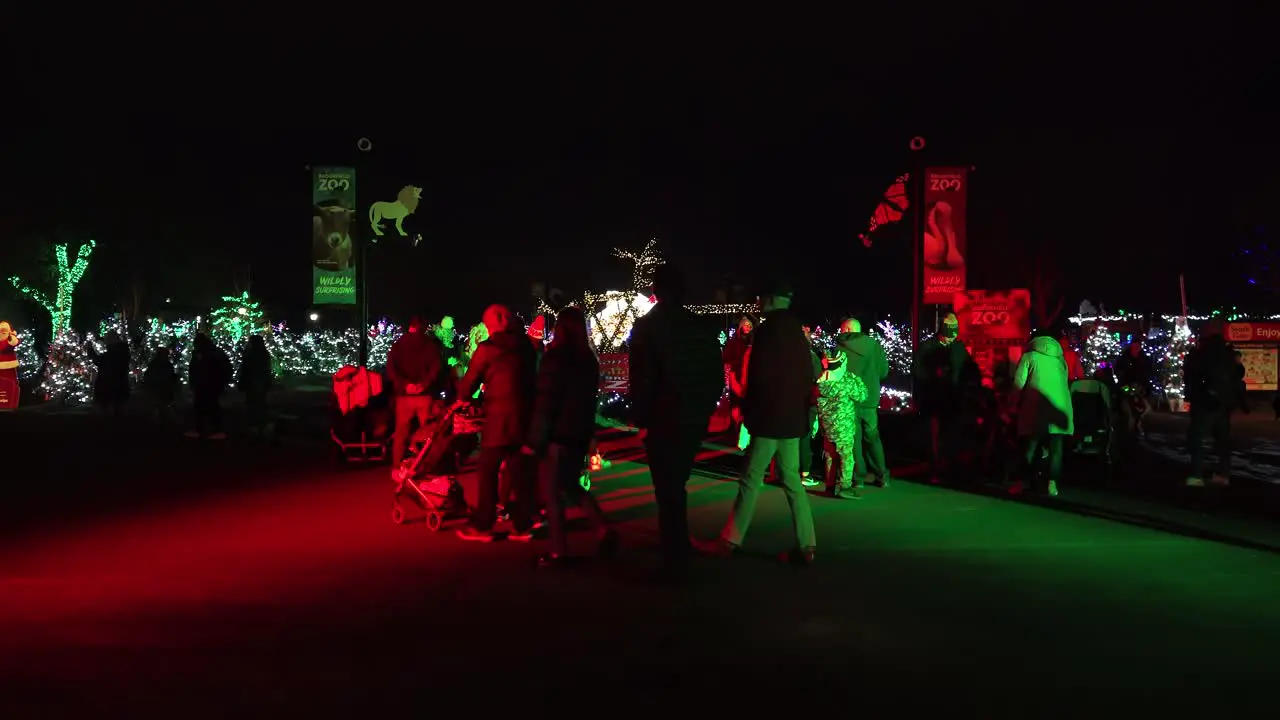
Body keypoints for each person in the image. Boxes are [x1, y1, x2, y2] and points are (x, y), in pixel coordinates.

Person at [703, 279, 819, 566]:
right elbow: (808, 375)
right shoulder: (797, 332)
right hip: (791, 420)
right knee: (792, 480)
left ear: (769, 300)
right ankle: (807, 544)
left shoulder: (766, 332)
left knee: (751, 479)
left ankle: (730, 540)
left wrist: (750, 413)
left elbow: (759, 378)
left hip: (769, 419)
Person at [628, 265, 724, 578]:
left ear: (657, 290)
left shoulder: (647, 327)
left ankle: (675, 556)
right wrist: (705, 409)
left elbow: (642, 378)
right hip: (692, 417)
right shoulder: (701, 327)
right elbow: (715, 376)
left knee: (666, 487)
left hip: (662, 417)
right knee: (677, 482)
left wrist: (641, 419)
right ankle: (677, 547)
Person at [521, 306, 618, 567]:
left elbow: (546, 403)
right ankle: (604, 528)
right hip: (579, 432)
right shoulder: (588, 360)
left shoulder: (555, 359)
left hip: (557, 434)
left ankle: (558, 551)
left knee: (552, 493)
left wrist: (533, 440)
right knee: (572, 485)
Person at [457, 304, 539, 542]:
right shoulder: (526, 347)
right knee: (520, 473)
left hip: (498, 419)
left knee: (488, 472)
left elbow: (470, 382)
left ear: (490, 324)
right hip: (524, 418)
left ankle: (484, 524)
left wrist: (463, 397)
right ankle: (522, 525)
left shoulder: (487, 349)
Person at [1010, 335, 1074, 497]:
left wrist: (1011, 404)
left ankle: (1021, 482)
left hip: (1035, 408)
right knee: (1056, 451)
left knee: (1029, 447)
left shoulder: (1029, 356)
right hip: (1059, 410)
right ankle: (1052, 484)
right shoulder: (1060, 360)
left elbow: (1018, 383)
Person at [912, 313, 971, 483]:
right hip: (934, 400)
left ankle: (949, 468)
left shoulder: (959, 348)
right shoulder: (928, 348)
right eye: (948, 335)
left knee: (951, 435)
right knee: (935, 438)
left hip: (954, 400)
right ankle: (936, 469)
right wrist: (934, 377)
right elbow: (917, 372)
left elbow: (968, 370)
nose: (951, 338)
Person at [1183, 321, 1240, 487]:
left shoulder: (1201, 352)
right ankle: (1223, 473)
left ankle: (1197, 474)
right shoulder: (1228, 352)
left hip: (1204, 402)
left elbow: (1192, 374)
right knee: (1222, 439)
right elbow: (1237, 374)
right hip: (1223, 402)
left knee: (1197, 438)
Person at [386, 316, 448, 466]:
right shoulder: (429, 345)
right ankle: (429, 464)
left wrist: (405, 385)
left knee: (401, 433)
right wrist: (423, 384)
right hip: (424, 395)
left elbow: (392, 370)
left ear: (410, 326)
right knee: (428, 432)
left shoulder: (398, 345)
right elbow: (436, 368)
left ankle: (397, 465)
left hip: (404, 395)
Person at [839, 317, 891, 488]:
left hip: (849, 399)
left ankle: (857, 478)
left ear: (846, 329)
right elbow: (883, 371)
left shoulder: (840, 346)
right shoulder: (874, 346)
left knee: (854, 439)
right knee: (873, 437)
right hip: (869, 399)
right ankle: (882, 475)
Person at [815, 344, 866, 499]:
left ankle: (830, 486)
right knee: (846, 456)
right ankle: (845, 486)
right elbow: (862, 395)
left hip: (828, 426)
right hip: (843, 425)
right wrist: (855, 378)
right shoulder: (846, 381)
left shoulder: (821, 380)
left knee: (830, 455)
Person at [186, 333, 232, 440]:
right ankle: (203, 429)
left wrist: (219, 381)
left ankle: (215, 429)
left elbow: (221, 369)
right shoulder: (206, 353)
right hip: (205, 384)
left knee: (210, 407)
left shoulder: (212, 354)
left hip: (209, 384)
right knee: (204, 407)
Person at [798, 326, 824, 488]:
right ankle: (805, 473)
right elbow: (818, 379)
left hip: (792, 401)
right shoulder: (811, 357)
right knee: (805, 436)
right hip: (807, 402)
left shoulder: (788, 355)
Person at [722, 315, 754, 443]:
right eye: (745, 325)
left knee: (743, 403)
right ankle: (733, 426)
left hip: (746, 377)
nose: (747, 328)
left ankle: (741, 426)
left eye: (749, 326)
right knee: (735, 401)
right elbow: (727, 358)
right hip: (736, 376)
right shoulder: (734, 341)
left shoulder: (752, 342)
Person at [87, 331, 132, 419]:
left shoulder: (114, 352)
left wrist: (90, 350)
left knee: (110, 408)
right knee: (117, 407)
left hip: (109, 383)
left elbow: (100, 361)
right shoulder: (122, 351)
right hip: (119, 383)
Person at [238, 335, 274, 435]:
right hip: (258, 381)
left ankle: (255, 425)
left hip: (253, 381)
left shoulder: (251, 354)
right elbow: (266, 369)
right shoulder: (263, 353)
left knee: (253, 403)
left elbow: (246, 369)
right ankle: (260, 425)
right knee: (259, 403)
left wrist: (242, 381)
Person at [142, 345, 180, 423]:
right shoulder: (158, 365)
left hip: (163, 388)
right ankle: (159, 421)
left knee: (163, 405)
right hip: (159, 388)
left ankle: (162, 420)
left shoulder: (164, 364)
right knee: (160, 405)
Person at [0, 321, 21, 411]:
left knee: (11, 384)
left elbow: (14, 342)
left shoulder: (11, 340)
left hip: (10, 366)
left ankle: (10, 403)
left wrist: (11, 338)